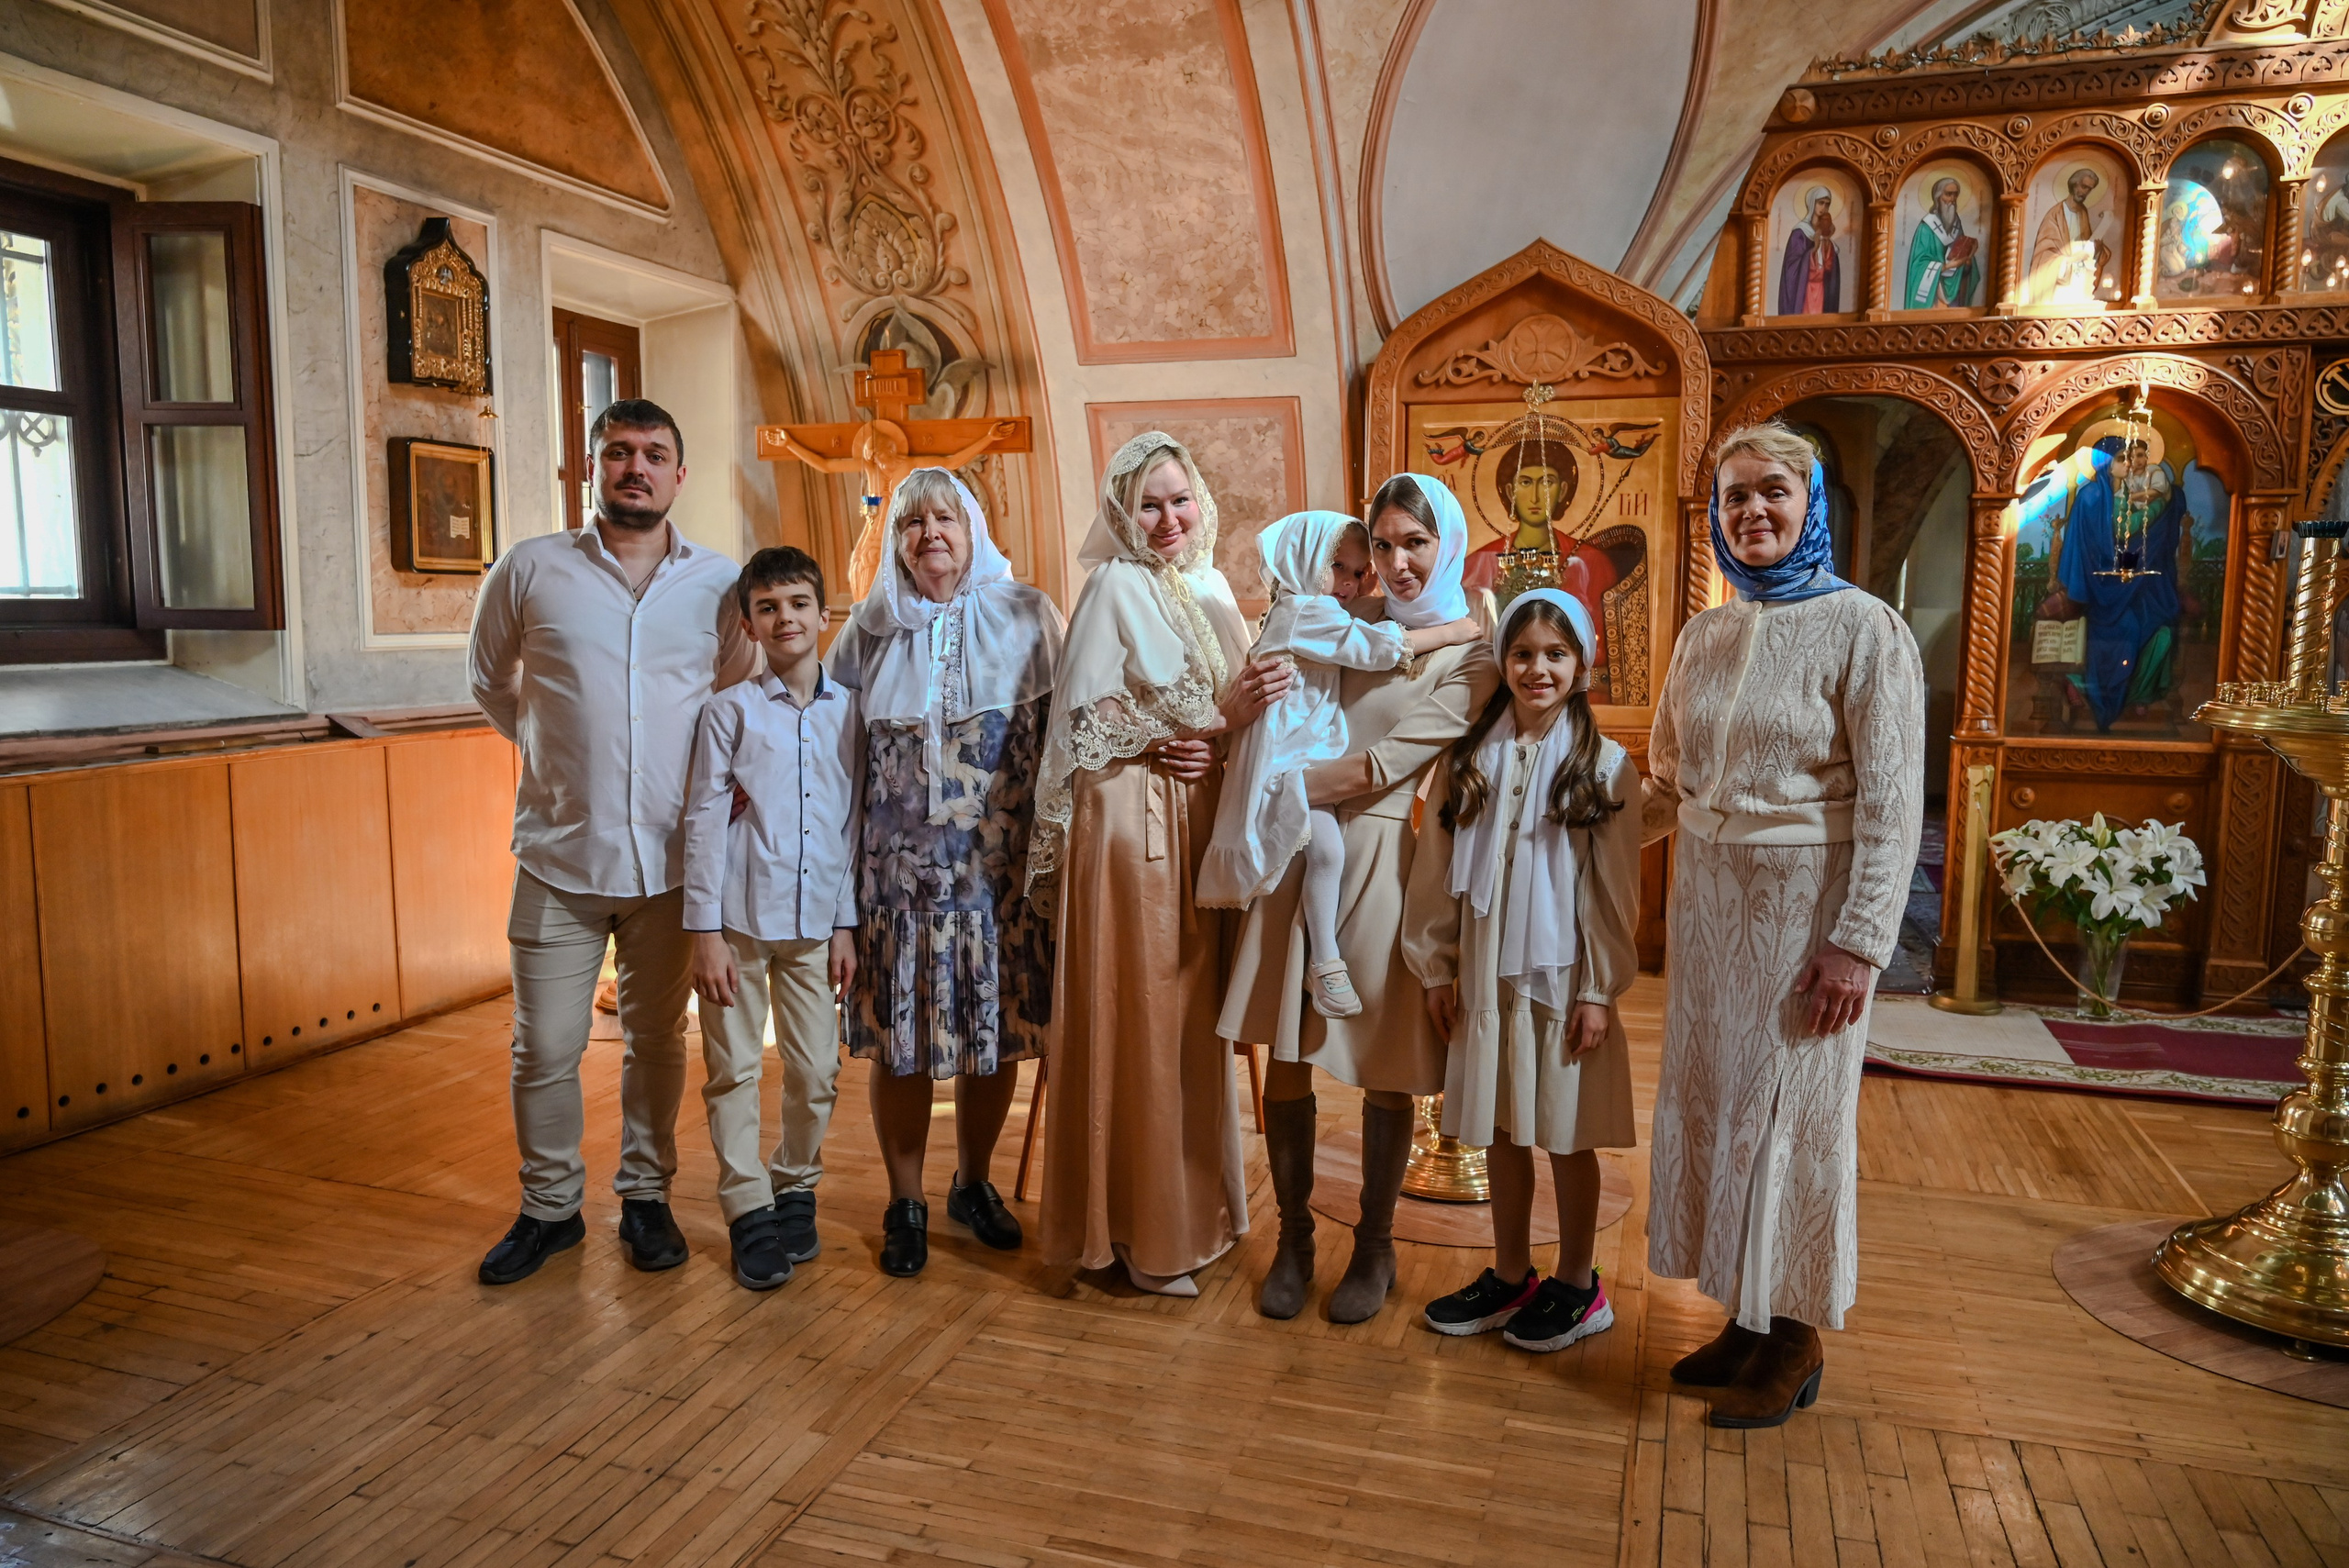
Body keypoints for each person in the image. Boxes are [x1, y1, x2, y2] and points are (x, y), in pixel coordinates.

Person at [1642, 421, 1924, 1429]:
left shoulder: (1865, 629)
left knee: (1794, 1116)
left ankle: (1796, 1337)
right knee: (1720, 1105)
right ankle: (1744, 1314)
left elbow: (1893, 802)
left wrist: (1858, 941)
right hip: (1709, 905)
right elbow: (1667, 779)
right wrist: (1562, 819)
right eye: (1733, 498)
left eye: (1772, 493)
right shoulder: (1705, 632)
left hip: (1808, 908)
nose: (1751, 512)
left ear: (1812, 508)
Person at [467, 398, 757, 1285]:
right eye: (618, 451)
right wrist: (561, 760)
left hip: (673, 864)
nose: (636, 467)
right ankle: (549, 1208)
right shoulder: (529, 570)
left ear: (679, 473)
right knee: (544, 1046)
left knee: (658, 1038)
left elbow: (732, 694)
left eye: (654, 454)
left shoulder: (720, 583)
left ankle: (645, 1196)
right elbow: (490, 679)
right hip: (559, 855)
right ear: (590, 466)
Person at [1219, 471, 1495, 1323]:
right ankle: (1293, 1242)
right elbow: (1266, 688)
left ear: (1445, 541)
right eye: (1382, 546)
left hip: (1380, 854)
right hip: (1299, 854)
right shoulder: (1350, 621)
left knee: (1385, 1064)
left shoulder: (1474, 654)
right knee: (1291, 1059)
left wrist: (1286, 784)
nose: (1397, 562)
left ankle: (1374, 1246)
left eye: (1415, 542)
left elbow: (1387, 762)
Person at [1030, 432, 1290, 1296]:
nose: (1169, 517)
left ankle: (1188, 1216)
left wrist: (1218, 743)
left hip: (1192, 817)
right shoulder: (1112, 584)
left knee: (1189, 1021)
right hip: (1127, 822)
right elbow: (1088, 723)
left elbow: (1226, 722)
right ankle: (1132, 1236)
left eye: (1180, 499)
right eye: (1150, 502)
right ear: (1121, 512)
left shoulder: (1215, 588)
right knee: (1139, 1016)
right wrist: (1208, 726)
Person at [825, 467, 1064, 1277]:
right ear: (894, 539)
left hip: (997, 889)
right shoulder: (867, 633)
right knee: (903, 1048)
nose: (931, 534)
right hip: (897, 892)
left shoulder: (1030, 617)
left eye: (946, 518)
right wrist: (839, 908)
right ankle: (905, 1199)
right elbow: (837, 775)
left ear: (975, 528)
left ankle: (972, 1181)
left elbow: (1069, 750)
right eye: (913, 522)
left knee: (991, 1045)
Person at [1404, 589, 1640, 1352]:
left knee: (1566, 1133)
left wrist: (1601, 987)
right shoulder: (1469, 757)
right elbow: (1438, 870)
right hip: (1483, 978)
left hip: (1562, 979)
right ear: (1504, 661)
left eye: (1556, 654)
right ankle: (1511, 1274)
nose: (1539, 669)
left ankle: (1578, 1282)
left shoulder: (1603, 764)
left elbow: (1613, 891)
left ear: (1582, 662)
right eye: (1524, 653)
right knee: (1501, 1128)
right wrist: (1437, 967)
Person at [1196, 511, 1476, 1017]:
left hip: (1328, 779)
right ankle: (1325, 963)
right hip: (1293, 760)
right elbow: (1378, 649)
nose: (1352, 583)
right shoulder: (1311, 611)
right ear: (1301, 564)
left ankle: (1324, 962)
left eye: (1357, 571)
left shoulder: (1319, 609)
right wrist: (1455, 631)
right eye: (1339, 568)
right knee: (1324, 854)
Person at [682, 547, 862, 1292]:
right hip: (741, 923)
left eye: (797, 604)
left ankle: (794, 1183)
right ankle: (747, 1204)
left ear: (824, 616)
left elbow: (852, 822)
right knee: (734, 1069)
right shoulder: (729, 712)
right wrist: (704, 930)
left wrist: (847, 923)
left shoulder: (851, 712)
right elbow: (700, 818)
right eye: (767, 607)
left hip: (818, 923)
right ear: (750, 624)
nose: (784, 618)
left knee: (817, 1070)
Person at [1903, 176, 1980, 308]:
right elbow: (1919, 264)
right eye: (1948, 194)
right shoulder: (1926, 227)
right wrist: (1946, 267)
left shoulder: (1956, 223)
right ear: (1938, 196)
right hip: (1933, 289)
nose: (1952, 199)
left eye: (1955, 194)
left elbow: (1959, 251)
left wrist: (1967, 260)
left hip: (1955, 284)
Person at [1778, 187, 1842, 315]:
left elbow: (1830, 267)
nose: (1823, 207)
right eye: (1820, 203)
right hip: (1804, 290)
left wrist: (1827, 245)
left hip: (1822, 289)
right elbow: (1791, 266)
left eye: (1827, 204)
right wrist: (1813, 250)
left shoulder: (1827, 231)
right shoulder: (1800, 232)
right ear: (1812, 202)